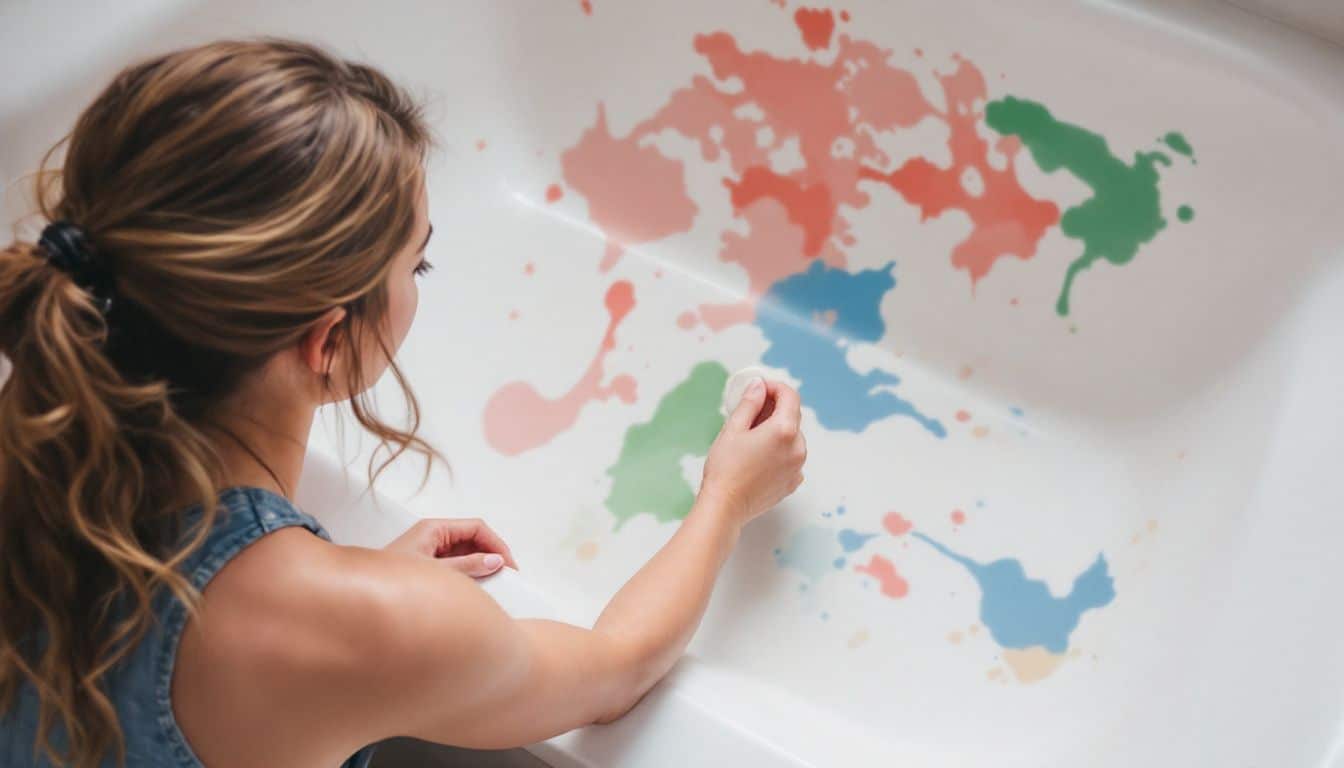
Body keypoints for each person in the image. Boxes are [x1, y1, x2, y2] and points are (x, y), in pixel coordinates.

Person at [0, 39, 807, 768]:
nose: (419, 284)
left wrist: (358, 590)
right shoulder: (356, 627)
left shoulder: (35, 429)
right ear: (327, 342)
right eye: (415, 267)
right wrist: (729, 498)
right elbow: (615, 671)